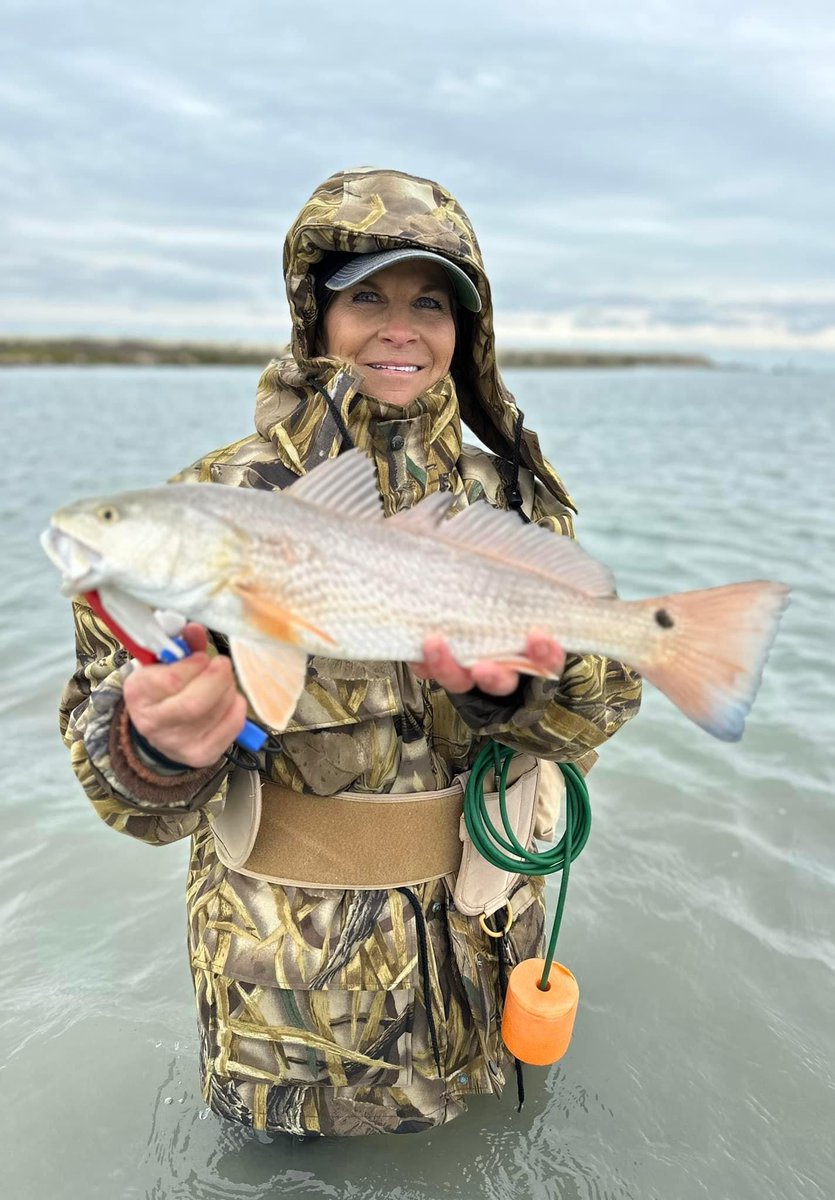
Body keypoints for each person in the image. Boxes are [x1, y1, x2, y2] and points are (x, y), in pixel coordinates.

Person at [59, 167, 642, 1138]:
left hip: (486, 961)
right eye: (366, 294)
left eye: (430, 301)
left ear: (467, 328)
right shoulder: (207, 506)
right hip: (292, 1018)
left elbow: (599, 715)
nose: (399, 326)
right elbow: (119, 783)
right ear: (313, 313)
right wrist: (153, 749)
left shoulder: (515, 501)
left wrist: (535, 688)